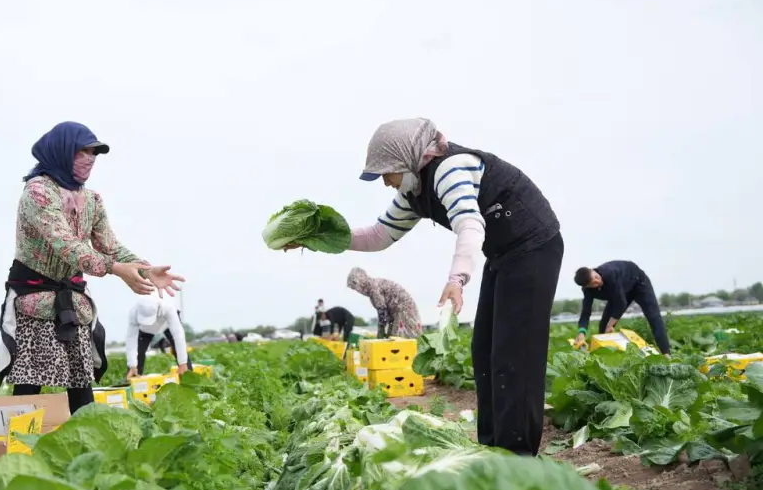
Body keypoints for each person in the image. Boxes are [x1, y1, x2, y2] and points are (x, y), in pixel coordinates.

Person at [286, 118, 562, 457]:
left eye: (387, 173)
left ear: (406, 160)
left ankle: (518, 457)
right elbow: (378, 235)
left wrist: (456, 279)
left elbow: (470, 224)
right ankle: (493, 449)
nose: (386, 183)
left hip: (533, 246)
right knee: (485, 351)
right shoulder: (413, 191)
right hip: (503, 254)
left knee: (514, 353)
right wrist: (316, 238)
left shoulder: (450, 170)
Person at [0, 121, 183, 413]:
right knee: (30, 381)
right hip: (34, 296)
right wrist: (114, 269)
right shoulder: (39, 192)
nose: (90, 158)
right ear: (62, 151)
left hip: (72, 301)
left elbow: (110, 246)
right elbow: (66, 244)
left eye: (94, 152)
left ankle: (87, 441)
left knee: (79, 379)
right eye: (82, 151)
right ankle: (19, 442)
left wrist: (145, 270)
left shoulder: (92, 200)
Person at [574, 261, 670, 356]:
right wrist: (581, 333)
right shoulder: (587, 291)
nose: (598, 281)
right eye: (594, 284)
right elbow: (585, 313)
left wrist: (610, 325)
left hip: (638, 282)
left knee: (653, 317)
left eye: (596, 277)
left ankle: (666, 354)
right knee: (603, 326)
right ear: (587, 286)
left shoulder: (609, 273)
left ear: (593, 270)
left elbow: (621, 304)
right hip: (618, 293)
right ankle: (605, 357)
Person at [126, 294, 189, 378]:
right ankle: (134, 382)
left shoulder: (168, 308)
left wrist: (183, 363)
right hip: (144, 329)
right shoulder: (133, 312)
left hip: (166, 325)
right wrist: (132, 364)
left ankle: (188, 377)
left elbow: (178, 334)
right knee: (138, 355)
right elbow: (131, 338)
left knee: (179, 353)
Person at [346, 268, 422, 339]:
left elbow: (382, 310)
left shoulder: (373, 288)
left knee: (399, 338)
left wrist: (381, 330)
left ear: (360, 283)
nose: (357, 291)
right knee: (391, 337)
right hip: (397, 310)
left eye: (355, 288)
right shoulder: (374, 285)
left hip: (403, 308)